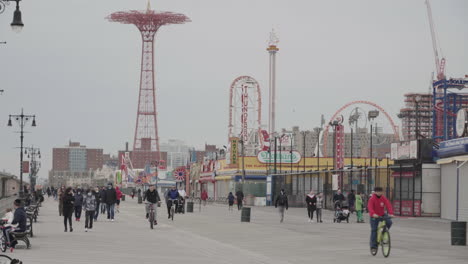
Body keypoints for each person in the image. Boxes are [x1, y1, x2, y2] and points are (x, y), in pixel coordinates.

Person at [368, 187, 394, 253]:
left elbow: (388, 205)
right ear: (375, 192)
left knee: (389, 222)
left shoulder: (383, 198)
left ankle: (384, 233)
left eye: (381, 192)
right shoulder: (372, 199)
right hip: (374, 216)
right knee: (374, 230)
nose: (379, 193)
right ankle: (373, 246)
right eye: (378, 192)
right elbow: (370, 207)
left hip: (382, 214)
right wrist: (373, 214)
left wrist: (391, 213)